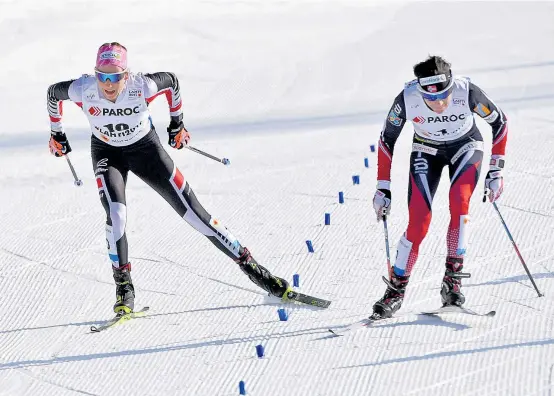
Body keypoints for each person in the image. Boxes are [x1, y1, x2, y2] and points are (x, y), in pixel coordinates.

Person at [47, 42, 291, 314]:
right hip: (107, 154)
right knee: (116, 216)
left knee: (195, 215)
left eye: (115, 76)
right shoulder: (83, 89)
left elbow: (172, 84)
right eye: (102, 76)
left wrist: (177, 125)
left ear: (126, 75)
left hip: (146, 151)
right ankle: (124, 288)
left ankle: (255, 270)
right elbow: (52, 95)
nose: (108, 83)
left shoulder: (143, 86)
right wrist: (57, 135)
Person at [371, 55, 508, 318]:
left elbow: (499, 122)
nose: (438, 103)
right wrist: (383, 188)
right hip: (426, 151)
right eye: (430, 98)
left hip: (466, 147)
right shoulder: (407, 99)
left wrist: (496, 170)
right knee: (418, 222)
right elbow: (387, 140)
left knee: (460, 203)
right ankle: (395, 292)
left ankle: (452, 282)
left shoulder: (467, 92)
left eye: (443, 95)